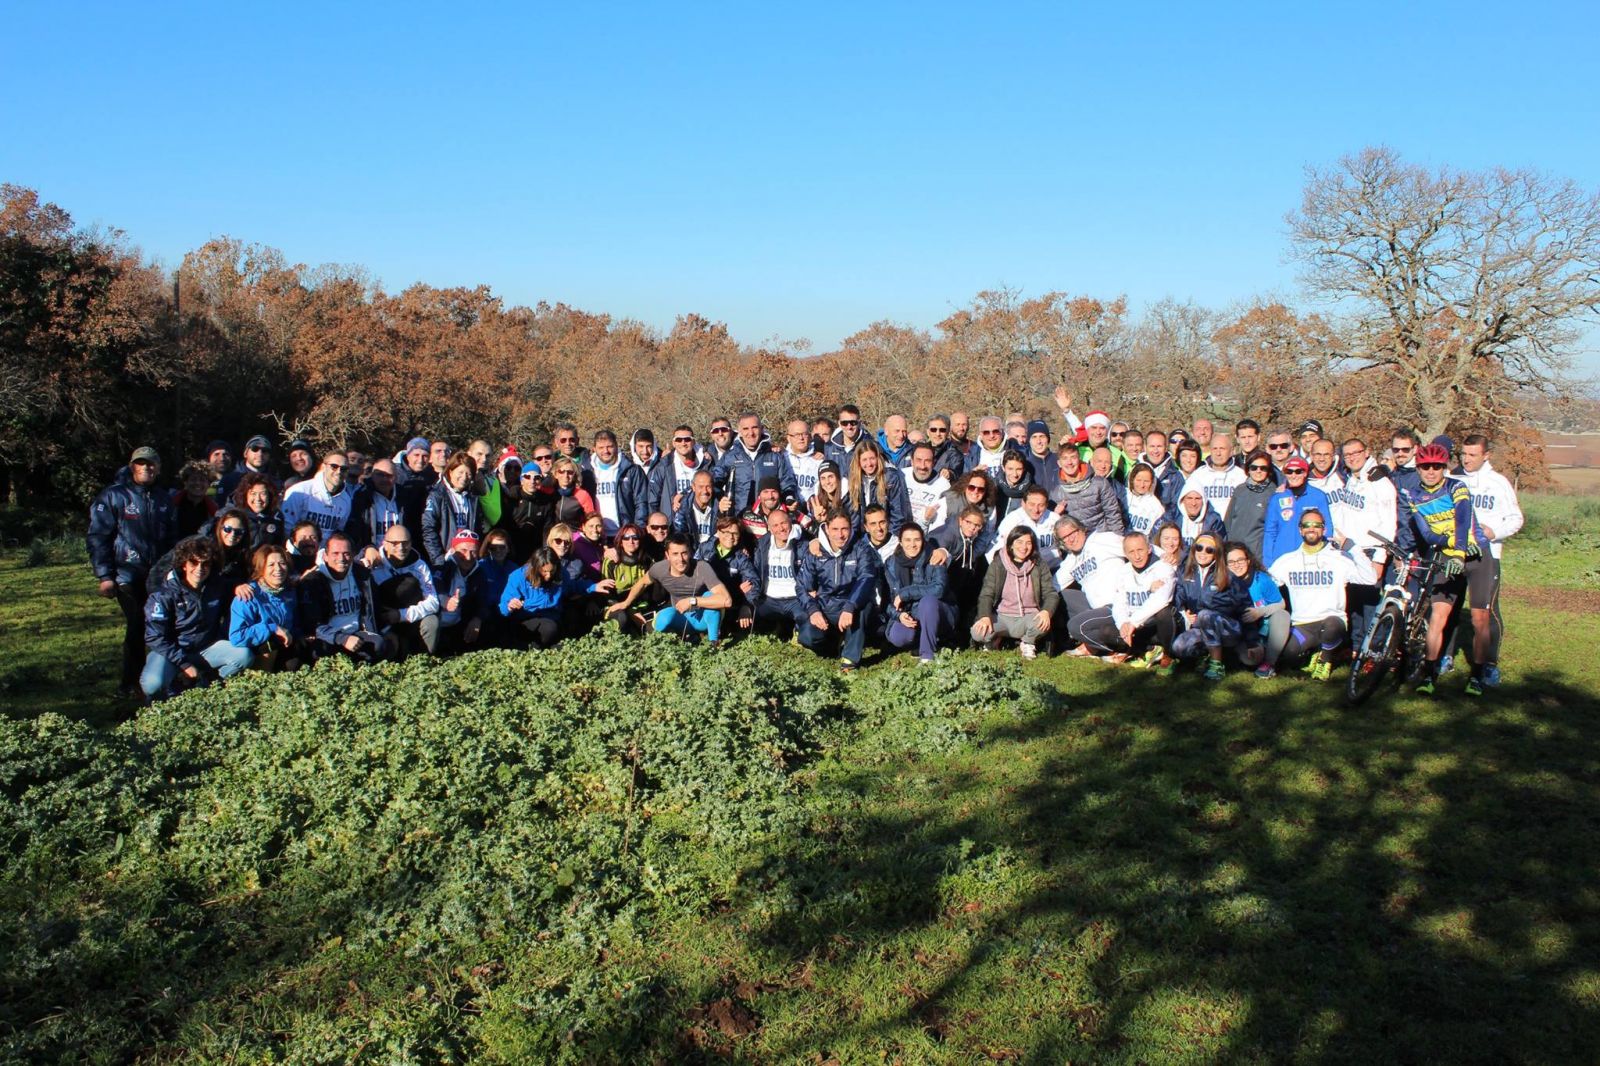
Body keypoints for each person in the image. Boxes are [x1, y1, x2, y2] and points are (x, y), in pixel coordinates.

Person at [1395, 443, 1490, 695]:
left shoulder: (1456, 486)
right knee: (1438, 617)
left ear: (1444, 468)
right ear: (1418, 468)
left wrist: (1459, 551)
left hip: (1476, 555)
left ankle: (1477, 676)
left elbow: (1462, 518)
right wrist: (1450, 547)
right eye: (1425, 466)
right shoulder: (1412, 495)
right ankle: (1429, 675)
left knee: (1480, 619)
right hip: (1447, 557)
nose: (1431, 471)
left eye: (1437, 466)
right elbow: (1426, 533)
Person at [88, 445, 178, 697]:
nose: (146, 467)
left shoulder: (164, 499)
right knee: (137, 622)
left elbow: (173, 539)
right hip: (126, 574)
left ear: (158, 468)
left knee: (161, 623)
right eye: (141, 463)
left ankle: (163, 677)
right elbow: (98, 537)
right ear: (132, 467)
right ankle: (130, 683)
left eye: (151, 464)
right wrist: (105, 576)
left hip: (159, 575)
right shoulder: (113, 496)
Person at [139, 536, 253, 701]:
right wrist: (184, 664)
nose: (200, 568)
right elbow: (155, 637)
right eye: (193, 562)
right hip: (171, 652)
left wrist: (239, 586)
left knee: (243, 655)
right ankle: (168, 692)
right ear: (183, 565)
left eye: (205, 563)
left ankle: (208, 685)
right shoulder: (163, 594)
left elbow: (234, 585)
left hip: (205, 647)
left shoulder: (217, 585)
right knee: (152, 684)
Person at [1268, 508, 1376, 681]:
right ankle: (1317, 652)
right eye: (1307, 525)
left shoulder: (1339, 558)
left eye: (1317, 525)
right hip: (1303, 624)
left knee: (1332, 626)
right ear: (1300, 529)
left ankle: (1325, 660)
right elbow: (1267, 584)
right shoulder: (1287, 561)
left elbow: (1370, 578)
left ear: (1324, 529)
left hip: (1332, 621)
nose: (1312, 528)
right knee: (1289, 654)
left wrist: (1352, 547)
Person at [1454, 433, 1522, 685]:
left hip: (1487, 556)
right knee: (1448, 605)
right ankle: (1444, 657)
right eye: (1463, 454)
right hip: (1456, 554)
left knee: (1487, 611)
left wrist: (1495, 532)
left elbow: (1515, 519)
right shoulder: (1453, 478)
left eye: (1472, 455)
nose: (1466, 459)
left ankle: (1489, 664)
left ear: (1486, 455)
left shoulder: (1498, 483)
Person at [1328, 437, 1398, 650]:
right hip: (1350, 550)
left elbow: (1388, 525)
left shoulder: (1380, 483)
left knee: (1370, 606)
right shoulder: (1352, 478)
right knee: (1355, 605)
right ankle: (1357, 649)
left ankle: (1373, 651)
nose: (1352, 458)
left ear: (1366, 451)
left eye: (1356, 453)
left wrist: (1380, 558)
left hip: (1369, 551)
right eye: (1347, 454)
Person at [796, 510, 882, 670]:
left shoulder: (860, 549)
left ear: (851, 529)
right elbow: (802, 585)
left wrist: (850, 607)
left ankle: (850, 659)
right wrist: (813, 610)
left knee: (863, 608)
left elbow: (866, 577)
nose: (840, 535)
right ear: (827, 529)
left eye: (845, 529)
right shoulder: (815, 551)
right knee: (807, 637)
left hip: (852, 605)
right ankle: (832, 645)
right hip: (826, 605)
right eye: (835, 529)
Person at [608, 534, 732, 644]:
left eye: (684, 553)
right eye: (675, 554)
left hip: (704, 618)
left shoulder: (702, 567)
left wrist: (692, 601)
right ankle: (668, 640)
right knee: (666, 616)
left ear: (690, 553)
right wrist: (625, 603)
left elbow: (726, 600)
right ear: (667, 555)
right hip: (681, 617)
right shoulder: (659, 569)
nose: (680, 559)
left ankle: (713, 642)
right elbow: (642, 583)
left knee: (709, 595)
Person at [1074, 532, 1176, 665]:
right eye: (1131, 552)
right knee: (1106, 632)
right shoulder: (1124, 571)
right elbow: (1119, 602)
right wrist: (1123, 624)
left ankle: (1167, 654)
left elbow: (1161, 600)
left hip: (1154, 625)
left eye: (1140, 550)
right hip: (1135, 627)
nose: (1137, 556)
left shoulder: (1164, 568)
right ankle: (1147, 650)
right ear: (1125, 553)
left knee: (1164, 613)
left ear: (1149, 548)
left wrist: (1133, 623)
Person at [300, 531, 394, 662]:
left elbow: (372, 610)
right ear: (325, 556)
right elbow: (313, 625)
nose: (342, 558)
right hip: (329, 638)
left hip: (357, 635)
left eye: (346, 553)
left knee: (379, 644)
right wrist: (342, 639)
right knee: (319, 651)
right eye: (335, 553)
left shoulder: (362, 574)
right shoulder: (313, 581)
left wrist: (384, 629)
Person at [1170, 532, 1251, 681]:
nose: (1203, 553)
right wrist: (1182, 613)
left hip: (1228, 628)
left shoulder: (1227, 575)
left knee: (1205, 615)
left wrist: (1253, 641)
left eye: (1209, 550)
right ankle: (1206, 656)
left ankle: (1217, 665)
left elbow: (1245, 608)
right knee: (1178, 647)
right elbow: (1177, 600)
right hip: (1200, 627)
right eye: (1199, 547)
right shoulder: (1184, 572)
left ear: (1216, 553)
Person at [971, 526, 1058, 660]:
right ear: (1011, 544)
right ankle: (994, 640)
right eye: (1019, 542)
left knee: (1043, 625)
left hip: (1029, 616)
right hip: (1002, 615)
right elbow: (986, 594)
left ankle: (1028, 642)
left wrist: (1047, 611)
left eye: (1028, 543)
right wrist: (984, 616)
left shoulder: (1039, 565)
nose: (1024, 547)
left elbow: (1051, 593)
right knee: (977, 633)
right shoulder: (998, 564)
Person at [502, 547, 615, 649]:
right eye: (544, 571)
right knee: (550, 628)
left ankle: (548, 646)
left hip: (554, 617)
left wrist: (594, 586)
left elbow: (574, 586)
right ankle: (532, 647)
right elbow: (503, 607)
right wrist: (510, 606)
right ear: (536, 567)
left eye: (551, 571)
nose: (548, 575)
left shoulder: (560, 574)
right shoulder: (518, 576)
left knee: (570, 624)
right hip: (527, 619)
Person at [1053, 516, 1131, 657]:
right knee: (1061, 596)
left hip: (1117, 605)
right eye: (1065, 538)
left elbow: (1135, 547)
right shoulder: (1072, 559)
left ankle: (1126, 647)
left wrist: (1164, 556)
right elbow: (1054, 585)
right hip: (1095, 607)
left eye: (1072, 533)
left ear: (1081, 529)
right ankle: (1095, 641)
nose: (1070, 539)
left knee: (1075, 627)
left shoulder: (1102, 540)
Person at [882, 523, 954, 663]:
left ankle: (927, 656)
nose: (913, 544)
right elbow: (888, 601)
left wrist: (905, 593)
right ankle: (921, 641)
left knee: (928, 601)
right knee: (898, 637)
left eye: (917, 539)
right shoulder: (891, 564)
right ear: (900, 542)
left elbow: (939, 589)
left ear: (923, 540)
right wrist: (899, 615)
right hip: (910, 613)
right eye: (908, 540)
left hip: (937, 611)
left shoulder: (934, 557)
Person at [371, 523, 442, 657]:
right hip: (383, 623)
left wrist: (401, 615)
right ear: (384, 544)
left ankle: (424, 659)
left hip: (409, 616)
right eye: (395, 543)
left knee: (432, 621)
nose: (401, 548)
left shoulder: (419, 566)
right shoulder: (373, 565)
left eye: (405, 543)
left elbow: (433, 602)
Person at [1224, 542, 1290, 680]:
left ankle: (1269, 663)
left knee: (1282, 616)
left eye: (1240, 560)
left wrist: (1260, 612)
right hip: (1242, 633)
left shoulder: (1262, 579)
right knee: (1250, 660)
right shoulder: (1224, 582)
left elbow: (1281, 604)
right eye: (1231, 562)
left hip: (1265, 629)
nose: (1236, 565)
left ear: (1248, 560)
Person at [229, 543, 299, 671]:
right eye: (271, 565)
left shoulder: (289, 591)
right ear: (261, 569)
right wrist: (271, 628)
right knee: (269, 643)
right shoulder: (248, 595)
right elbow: (237, 637)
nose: (278, 569)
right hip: (255, 652)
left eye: (282, 563)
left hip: (284, 645)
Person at [717, 413, 795, 517]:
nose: (751, 433)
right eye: (745, 429)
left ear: (762, 429)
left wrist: (789, 499)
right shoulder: (730, 457)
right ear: (739, 432)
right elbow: (714, 483)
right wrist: (720, 499)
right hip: (738, 518)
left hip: (768, 519)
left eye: (754, 427)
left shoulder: (775, 456)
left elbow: (787, 483)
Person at [1261, 457, 1334, 567]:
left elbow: (1327, 528)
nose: (1293, 475)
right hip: (1282, 558)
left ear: (1305, 473)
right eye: (1289, 472)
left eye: (1298, 471)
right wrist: (1268, 563)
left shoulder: (1318, 496)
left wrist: (1324, 556)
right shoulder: (1277, 497)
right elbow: (1270, 532)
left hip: (1311, 558)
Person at [421, 452, 484, 569]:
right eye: (460, 472)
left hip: (468, 560)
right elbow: (428, 529)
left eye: (469, 474)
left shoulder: (472, 498)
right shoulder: (437, 496)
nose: (464, 477)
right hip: (445, 559)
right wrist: (438, 559)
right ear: (450, 472)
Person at [435, 529, 494, 652]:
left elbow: (483, 601)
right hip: (437, 621)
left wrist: (477, 618)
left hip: (459, 622)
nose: (468, 557)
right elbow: (434, 590)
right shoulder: (441, 566)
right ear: (453, 550)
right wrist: (446, 601)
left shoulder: (479, 572)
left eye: (473, 552)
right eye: (463, 550)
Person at [750, 507, 805, 639]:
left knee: (809, 628)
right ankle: (778, 625)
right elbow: (755, 573)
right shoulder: (762, 545)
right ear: (769, 528)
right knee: (749, 617)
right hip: (770, 599)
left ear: (791, 523)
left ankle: (796, 630)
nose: (781, 528)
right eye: (775, 525)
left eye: (783, 523)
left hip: (795, 598)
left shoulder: (802, 544)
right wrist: (750, 596)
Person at [699, 514, 760, 629]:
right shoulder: (704, 548)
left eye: (735, 533)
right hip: (704, 598)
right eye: (726, 532)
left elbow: (753, 582)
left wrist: (747, 605)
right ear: (719, 532)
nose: (730, 536)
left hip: (729, 602)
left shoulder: (742, 557)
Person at [1047, 444, 1124, 534]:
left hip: (1101, 539)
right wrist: (1055, 516)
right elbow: (1053, 528)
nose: (1069, 462)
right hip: (1074, 543)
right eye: (1065, 458)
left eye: (1073, 457)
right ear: (1059, 463)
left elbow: (1113, 515)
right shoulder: (1055, 493)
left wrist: (1118, 539)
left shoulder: (1100, 484)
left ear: (1079, 459)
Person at [584, 429, 647, 536]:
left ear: (616, 446)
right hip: (596, 534)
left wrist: (637, 530)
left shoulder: (631, 470)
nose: (606, 451)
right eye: (601, 448)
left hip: (624, 533)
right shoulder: (586, 471)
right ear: (594, 449)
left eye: (609, 446)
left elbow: (641, 502)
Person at [280, 451, 353, 538]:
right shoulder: (300, 492)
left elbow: (338, 532)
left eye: (344, 469)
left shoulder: (346, 500)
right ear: (323, 467)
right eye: (334, 466)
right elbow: (287, 529)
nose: (339, 472)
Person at [847, 438, 910, 535]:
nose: (869, 464)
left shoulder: (890, 477)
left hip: (886, 533)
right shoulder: (854, 480)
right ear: (858, 461)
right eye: (864, 460)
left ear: (878, 458)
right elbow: (853, 516)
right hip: (863, 536)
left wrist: (889, 538)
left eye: (872, 458)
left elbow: (898, 514)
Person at [1224, 450, 1278, 559]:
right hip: (1234, 552)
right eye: (1254, 467)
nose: (1258, 471)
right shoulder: (1240, 490)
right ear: (1248, 469)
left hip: (1257, 554)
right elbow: (1228, 522)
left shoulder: (1273, 493)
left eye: (1263, 468)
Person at [993, 486, 1061, 569]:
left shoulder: (1054, 518)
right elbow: (997, 549)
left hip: (1053, 569)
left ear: (1046, 505)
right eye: (1032, 504)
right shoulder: (1012, 520)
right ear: (1023, 503)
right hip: (1023, 572)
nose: (1036, 510)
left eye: (1041, 505)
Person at [653, 424, 712, 515]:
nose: (683, 443)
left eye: (687, 439)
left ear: (693, 442)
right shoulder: (664, 465)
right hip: (672, 520)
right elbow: (654, 497)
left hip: (698, 518)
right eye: (679, 440)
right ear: (674, 443)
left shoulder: (705, 464)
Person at [348, 457, 403, 552]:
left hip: (400, 554)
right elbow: (355, 532)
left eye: (389, 475)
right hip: (370, 556)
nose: (384, 479)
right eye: (380, 475)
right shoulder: (362, 497)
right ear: (372, 475)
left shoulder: (405, 498)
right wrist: (367, 549)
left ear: (396, 477)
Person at [1188, 433, 1245, 520]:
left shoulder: (1241, 476)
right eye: (1215, 449)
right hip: (1205, 528)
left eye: (1222, 449)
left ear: (1231, 451)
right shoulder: (1198, 475)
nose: (1218, 453)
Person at [227, 472, 285, 551]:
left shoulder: (276, 516)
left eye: (263, 494)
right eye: (253, 494)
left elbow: (279, 546)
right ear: (245, 495)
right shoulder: (233, 515)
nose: (258, 499)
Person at [1163, 479, 1226, 549]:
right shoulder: (1171, 516)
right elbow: (1155, 539)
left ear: (1204, 501)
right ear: (1182, 500)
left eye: (1197, 498)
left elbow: (1220, 547)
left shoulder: (1214, 520)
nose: (1193, 503)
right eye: (1189, 498)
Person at [903, 442, 948, 533]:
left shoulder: (943, 485)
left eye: (927, 461)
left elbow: (938, 525)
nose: (923, 466)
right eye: (919, 460)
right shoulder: (901, 476)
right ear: (911, 461)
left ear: (934, 463)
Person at [672, 469, 721, 552]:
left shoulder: (720, 504)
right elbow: (681, 537)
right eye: (700, 487)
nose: (705, 491)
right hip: (692, 554)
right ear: (693, 487)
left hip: (715, 553)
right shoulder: (683, 508)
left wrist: (723, 513)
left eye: (708, 487)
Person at [217, 434, 275, 499]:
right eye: (255, 449)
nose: (260, 454)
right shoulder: (229, 480)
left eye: (265, 450)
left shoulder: (275, 481)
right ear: (245, 453)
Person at [173, 460, 219, 536]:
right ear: (185, 482)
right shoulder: (172, 505)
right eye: (193, 479)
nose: (197, 483)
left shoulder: (214, 511)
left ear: (209, 484)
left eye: (202, 480)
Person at [1122, 463, 1166, 538]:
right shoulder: (1122, 495)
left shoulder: (1157, 507)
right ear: (1132, 479)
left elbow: (1156, 536)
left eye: (1146, 481)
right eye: (1138, 480)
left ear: (1152, 482)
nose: (1142, 485)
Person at [995, 451, 1034, 520]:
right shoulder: (994, 487)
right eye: (1010, 469)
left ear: (1024, 469)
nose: (1015, 474)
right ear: (1003, 468)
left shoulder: (1031, 492)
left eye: (1019, 469)